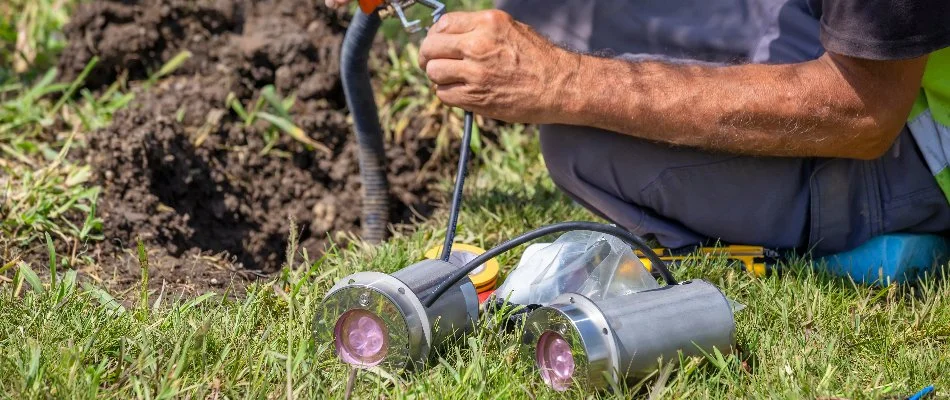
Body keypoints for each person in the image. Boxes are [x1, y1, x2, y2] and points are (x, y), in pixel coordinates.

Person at [327, 0, 950, 257]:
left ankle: (882, 232)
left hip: (911, 145)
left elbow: (863, 112)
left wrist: (564, 83)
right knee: (547, 9)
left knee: (582, 140)